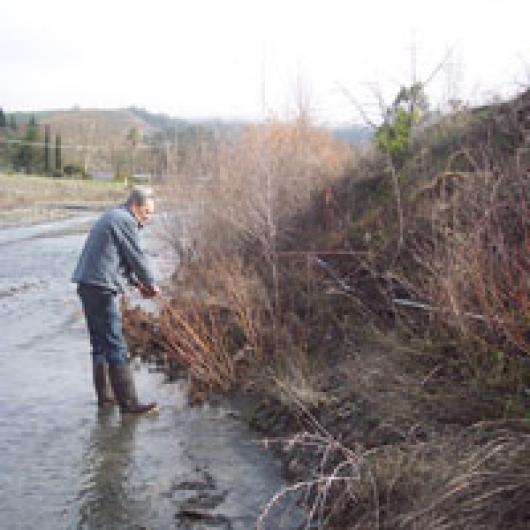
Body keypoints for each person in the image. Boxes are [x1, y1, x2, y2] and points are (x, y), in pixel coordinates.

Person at [73, 185, 160, 414]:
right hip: (101, 287)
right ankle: (129, 404)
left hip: (88, 284)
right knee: (115, 343)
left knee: (100, 344)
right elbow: (136, 256)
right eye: (147, 213)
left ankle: (106, 400)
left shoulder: (114, 216)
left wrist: (136, 283)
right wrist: (151, 284)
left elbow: (118, 258)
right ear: (136, 206)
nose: (148, 218)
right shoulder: (125, 220)